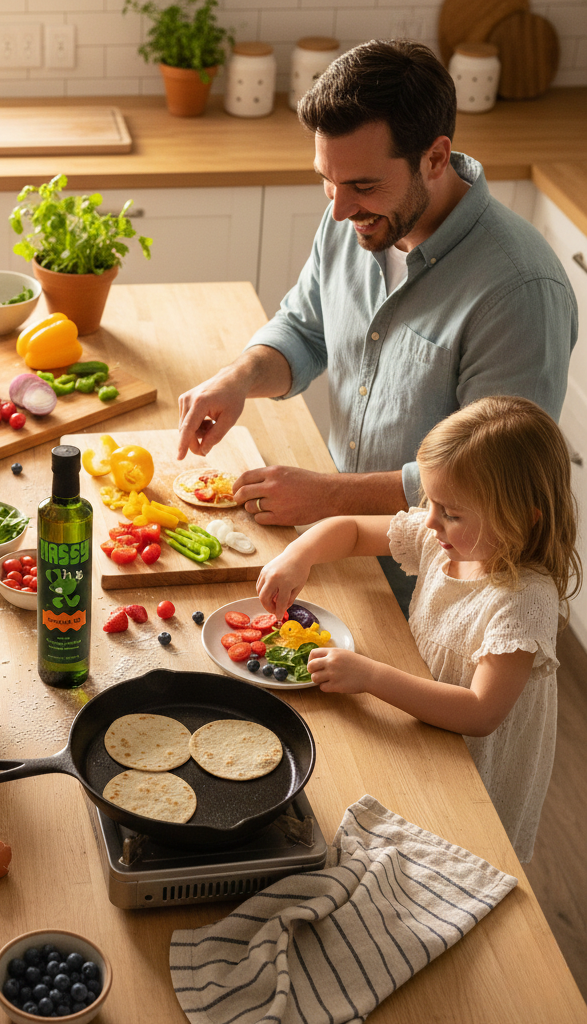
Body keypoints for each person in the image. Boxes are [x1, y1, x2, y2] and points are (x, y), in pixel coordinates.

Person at [176, 40, 576, 608]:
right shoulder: (353, 214)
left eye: (362, 186)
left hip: (442, 593)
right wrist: (240, 377)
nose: (338, 209)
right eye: (326, 180)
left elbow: (489, 483)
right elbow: (307, 328)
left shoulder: (518, 292)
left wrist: (327, 497)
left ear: (435, 158)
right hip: (342, 556)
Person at [255, 396, 580, 863]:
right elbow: (348, 530)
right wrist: (296, 557)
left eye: (450, 512)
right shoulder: (444, 537)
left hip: (477, 770)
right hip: (426, 723)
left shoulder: (524, 599)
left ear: (522, 519)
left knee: (464, 854)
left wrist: (370, 676)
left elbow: (479, 712)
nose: (429, 520)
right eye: (429, 501)